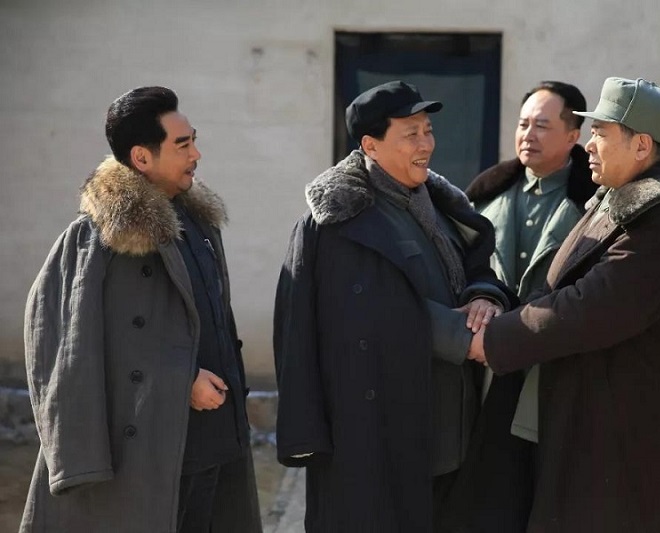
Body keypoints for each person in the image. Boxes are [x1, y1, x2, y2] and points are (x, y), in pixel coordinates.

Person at [469, 77, 660, 532]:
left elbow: (588, 308)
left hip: (631, 448)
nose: (589, 146)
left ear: (641, 145)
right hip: (594, 430)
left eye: (600, 133)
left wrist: (494, 339)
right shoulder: (613, 199)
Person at [272, 80, 516, 532]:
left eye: (428, 130)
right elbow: (358, 316)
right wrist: (467, 339)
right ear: (370, 145)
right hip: (376, 438)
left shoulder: (441, 206)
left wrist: (484, 297)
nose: (426, 144)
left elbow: (477, 267)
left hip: (451, 439)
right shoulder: (335, 226)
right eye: (411, 134)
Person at [21, 87, 262, 533]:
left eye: (194, 140)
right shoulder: (95, 240)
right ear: (142, 157)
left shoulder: (198, 223)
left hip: (215, 442)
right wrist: (181, 379)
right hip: (152, 454)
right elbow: (65, 347)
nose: (197, 154)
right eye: (182, 145)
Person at [463, 82, 597, 509]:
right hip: (484, 368)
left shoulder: (594, 204)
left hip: (553, 372)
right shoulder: (484, 196)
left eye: (542, 125)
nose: (528, 135)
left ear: (573, 135)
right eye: (523, 124)